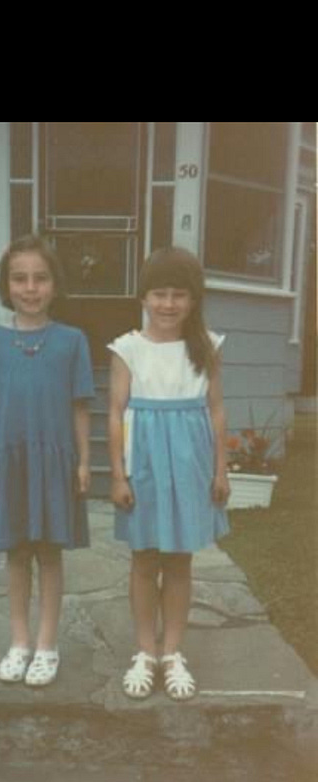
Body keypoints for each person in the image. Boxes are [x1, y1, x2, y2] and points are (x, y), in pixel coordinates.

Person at [0, 235, 95, 687]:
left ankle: (46, 645)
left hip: (54, 461)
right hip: (9, 462)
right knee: (16, 554)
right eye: (20, 278)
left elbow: (81, 407)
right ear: (7, 286)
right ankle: (19, 641)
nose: (30, 287)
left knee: (50, 553)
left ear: (54, 285)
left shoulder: (72, 341)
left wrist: (83, 462)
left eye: (40, 278)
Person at [108, 247, 230, 702]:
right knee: (144, 558)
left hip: (190, 463)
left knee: (179, 559)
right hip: (143, 463)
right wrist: (118, 474)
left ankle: (172, 652)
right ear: (144, 296)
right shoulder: (127, 348)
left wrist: (221, 469)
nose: (168, 304)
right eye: (159, 294)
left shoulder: (207, 347)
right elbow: (115, 413)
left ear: (193, 300)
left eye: (179, 295)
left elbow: (216, 411)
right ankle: (145, 651)